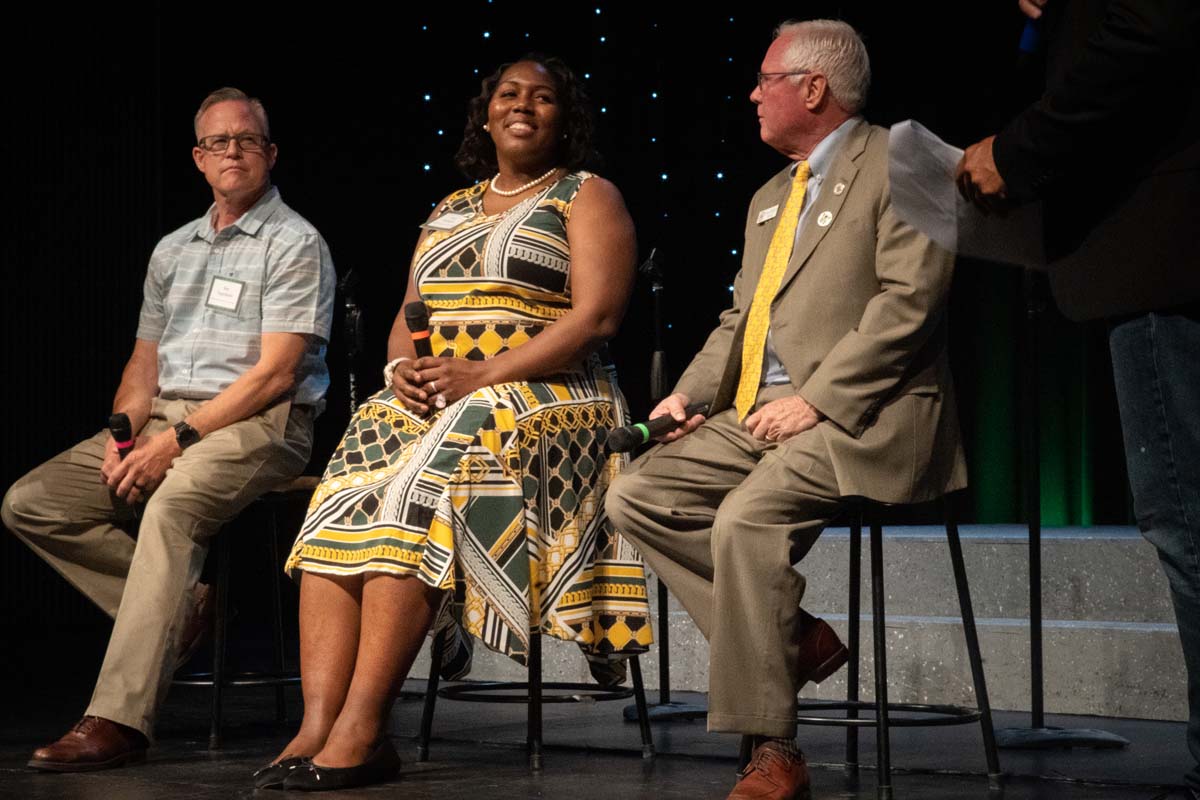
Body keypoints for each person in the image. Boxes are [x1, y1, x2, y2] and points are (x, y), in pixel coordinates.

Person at [266, 54, 649, 791]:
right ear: (485, 113)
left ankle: (363, 728)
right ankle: (317, 725)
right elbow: (413, 317)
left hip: (552, 397)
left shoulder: (585, 195)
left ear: (564, 119)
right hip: (445, 394)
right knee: (344, 492)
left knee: (418, 489)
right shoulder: (449, 206)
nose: (524, 106)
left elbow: (597, 316)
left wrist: (484, 373)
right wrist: (399, 372)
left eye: (544, 98)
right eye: (509, 93)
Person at [606, 20, 965, 800]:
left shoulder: (901, 158)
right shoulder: (771, 194)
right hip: (757, 413)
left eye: (765, 79)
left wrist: (817, 401)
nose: (752, 95)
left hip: (868, 414)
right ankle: (794, 639)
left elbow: (912, 305)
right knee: (636, 493)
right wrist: (688, 397)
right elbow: (742, 320)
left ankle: (772, 747)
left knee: (745, 522)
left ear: (812, 88)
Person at [1, 87, 336, 771]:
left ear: (269, 154)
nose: (232, 150)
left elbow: (275, 376)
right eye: (218, 141)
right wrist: (126, 434)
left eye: (246, 139)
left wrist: (174, 443)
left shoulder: (294, 243)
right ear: (199, 158)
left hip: (261, 424)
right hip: (164, 420)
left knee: (173, 506)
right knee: (32, 502)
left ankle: (119, 718)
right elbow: (142, 365)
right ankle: (182, 610)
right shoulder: (172, 250)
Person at [956, 0, 1200, 793]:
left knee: (1189, 525)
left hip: (1170, 267)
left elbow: (1150, 31)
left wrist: (1017, 150)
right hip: (1155, 269)